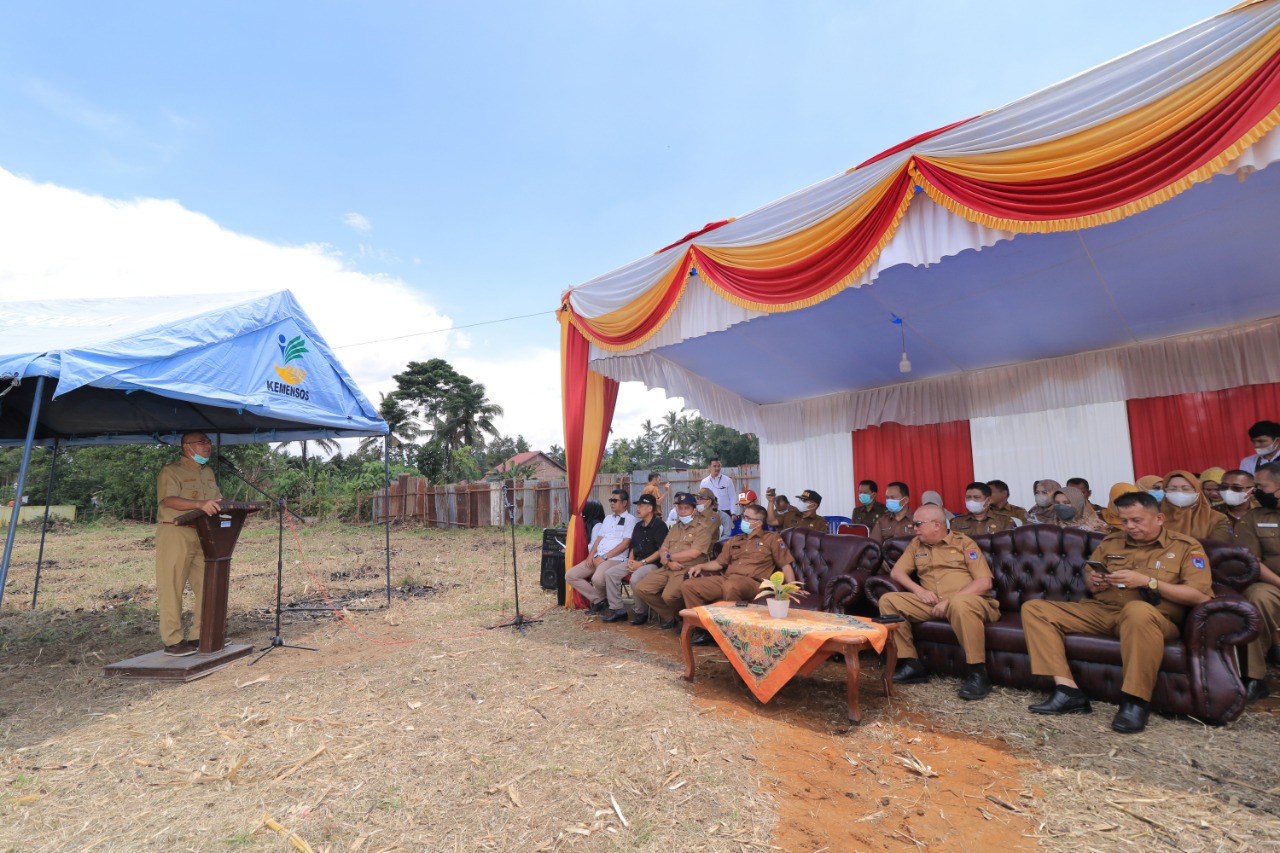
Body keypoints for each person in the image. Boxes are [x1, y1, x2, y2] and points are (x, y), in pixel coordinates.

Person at [1022, 492, 1213, 733]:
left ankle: (1135, 700)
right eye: (1124, 521)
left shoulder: (1186, 547)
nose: (1130, 526)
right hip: (1103, 611)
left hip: (1153, 618)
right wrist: (1096, 581)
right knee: (1035, 608)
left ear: (1159, 518)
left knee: (1137, 610)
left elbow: (1200, 596)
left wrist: (1148, 582)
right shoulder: (1111, 542)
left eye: (1137, 520)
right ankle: (1067, 690)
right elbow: (1090, 579)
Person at [878, 504, 1001, 699]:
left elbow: (984, 582)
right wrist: (919, 591)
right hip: (933, 603)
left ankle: (978, 673)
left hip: (970, 602)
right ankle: (911, 664)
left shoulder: (964, 543)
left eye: (918, 524)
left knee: (960, 604)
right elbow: (897, 572)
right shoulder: (916, 544)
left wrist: (951, 601)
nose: (914, 528)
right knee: (889, 600)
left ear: (936, 525)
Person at [682, 503, 796, 644]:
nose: (743, 520)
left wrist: (792, 588)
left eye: (747, 518)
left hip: (754, 583)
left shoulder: (772, 538)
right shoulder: (735, 540)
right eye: (743, 516)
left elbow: (785, 564)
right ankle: (705, 632)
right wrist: (700, 566)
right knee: (689, 586)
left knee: (731, 586)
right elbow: (719, 563)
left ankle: (732, 636)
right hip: (728, 579)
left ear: (758, 523)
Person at [155, 432, 224, 656]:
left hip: (202, 533)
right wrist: (200, 504)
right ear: (187, 446)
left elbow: (216, 500)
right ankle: (173, 640)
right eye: (201, 442)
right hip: (176, 532)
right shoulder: (171, 471)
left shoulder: (208, 472)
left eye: (208, 442)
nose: (207, 446)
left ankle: (200, 635)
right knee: (172, 586)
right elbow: (169, 500)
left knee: (207, 585)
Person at [1230, 461, 1280, 702]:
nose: (1255, 491)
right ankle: (1254, 677)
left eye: (1261, 486)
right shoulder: (1253, 518)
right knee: (1255, 597)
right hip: (1273, 585)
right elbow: (1252, 561)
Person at [632, 493, 718, 629]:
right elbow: (663, 548)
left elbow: (694, 553)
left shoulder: (702, 529)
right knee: (641, 588)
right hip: (668, 567)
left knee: (669, 596)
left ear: (694, 510)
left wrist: (668, 557)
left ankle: (685, 620)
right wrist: (668, 561)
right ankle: (675, 617)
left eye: (686, 508)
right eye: (680, 508)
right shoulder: (675, 528)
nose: (682, 511)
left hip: (686, 569)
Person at [566, 489, 636, 613]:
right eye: (611, 500)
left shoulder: (630, 519)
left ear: (624, 503)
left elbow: (625, 544)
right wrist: (591, 555)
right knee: (571, 575)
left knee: (597, 579)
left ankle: (607, 603)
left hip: (615, 558)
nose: (612, 503)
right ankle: (599, 600)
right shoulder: (608, 518)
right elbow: (599, 538)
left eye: (615, 500)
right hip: (598, 556)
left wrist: (604, 557)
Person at [603, 493, 667, 624]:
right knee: (610, 573)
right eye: (638, 505)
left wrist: (641, 563)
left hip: (652, 563)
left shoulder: (660, 526)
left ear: (650, 508)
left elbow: (660, 551)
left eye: (641, 505)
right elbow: (633, 547)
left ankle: (641, 612)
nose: (638, 508)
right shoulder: (638, 526)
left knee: (635, 579)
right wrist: (631, 561)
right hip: (636, 560)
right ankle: (618, 610)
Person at [1160, 469, 1231, 542]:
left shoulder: (1216, 518)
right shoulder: (1156, 515)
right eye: (1172, 489)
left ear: (1197, 491)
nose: (1179, 492)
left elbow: (1218, 546)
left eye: (1186, 489)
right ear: (1165, 491)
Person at [949, 482, 1016, 536]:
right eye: (968, 497)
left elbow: (1009, 544)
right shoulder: (956, 522)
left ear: (988, 500)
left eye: (976, 497)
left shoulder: (1004, 521)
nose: (971, 500)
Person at [699, 458, 736, 533]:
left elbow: (733, 497)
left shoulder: (727, 480)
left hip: (726, 512)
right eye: (714, 466)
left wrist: (733, 513)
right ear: (709, 467)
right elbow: (702, 499)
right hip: (711, 512)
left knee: (727, 534)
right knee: (711, 533)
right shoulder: (704, 482)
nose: (717, 468)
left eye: (719, 466)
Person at [1218, 469, 1257, 534]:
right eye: (1224, 487)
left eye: (1236, 488)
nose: (1228, 491)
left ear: (1253, 491)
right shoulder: (1211, 513)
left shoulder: (1267, 513)